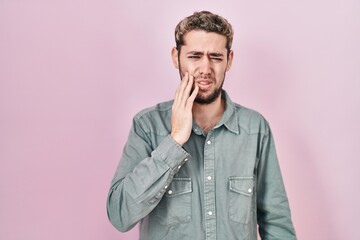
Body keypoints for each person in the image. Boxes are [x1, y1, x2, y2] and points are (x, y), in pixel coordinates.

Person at [107, 11, 297, 240]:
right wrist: (175, 140)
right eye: (195, 56)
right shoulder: (147, 126)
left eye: (216, 57)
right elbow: (120, 215)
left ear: (229, 60)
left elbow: (276, 223)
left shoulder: (256, 129)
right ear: (176, 57)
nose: (205, 69)